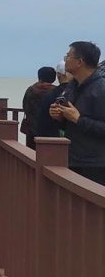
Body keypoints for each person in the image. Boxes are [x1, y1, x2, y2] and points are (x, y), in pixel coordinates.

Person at [49, 41, 105, 185]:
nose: (65, 59)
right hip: (72, 157)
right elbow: (67, 124)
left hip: (95, 165)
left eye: (68, 56)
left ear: (80, 62)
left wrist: (78, 119)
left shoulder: (101, 89)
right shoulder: (72, 87)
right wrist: (59, 117)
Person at [21, 66, 58, 149]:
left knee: (31, 156)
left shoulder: (31, 90)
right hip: (50, 131)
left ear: (39, 77)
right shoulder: (56, 91)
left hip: (31, 130)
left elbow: (24, 106)